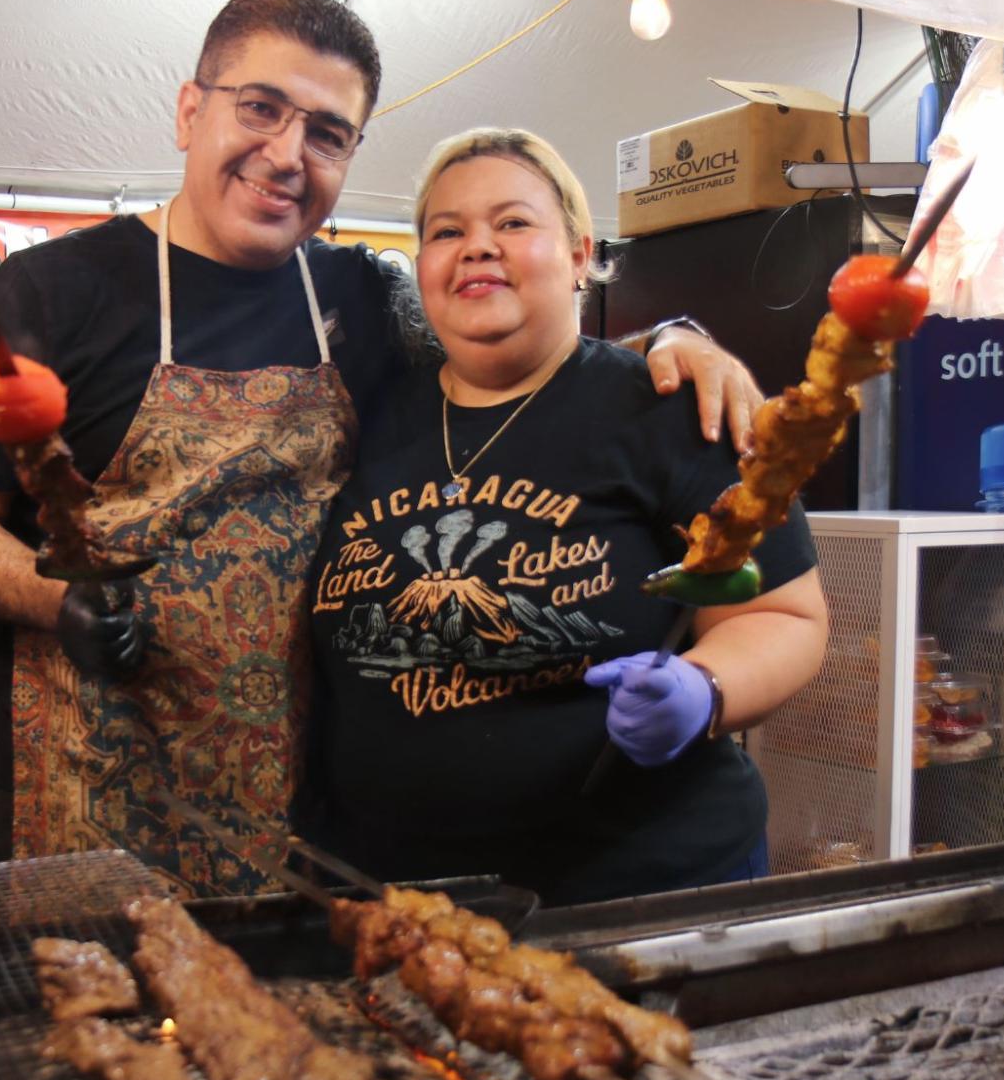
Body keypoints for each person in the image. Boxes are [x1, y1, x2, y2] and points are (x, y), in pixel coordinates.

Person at [0, 0, 765, 895]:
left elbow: (522, 349)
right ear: (189, 109)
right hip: (99, 798)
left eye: (326, 132)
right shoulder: (54, 293)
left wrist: (669, 341)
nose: (286, 155)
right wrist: (55, 601)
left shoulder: (364, 298)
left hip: (315, 831)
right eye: (260, 108)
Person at [301, 128, 830, 906]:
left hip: (636, 888)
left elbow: (786, 614)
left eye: (512, 223)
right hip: (397, 900)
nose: (477, 246)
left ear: (581, 254)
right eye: (446, 232)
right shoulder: (368, 415)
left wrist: (702, 688)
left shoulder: (668, 406)